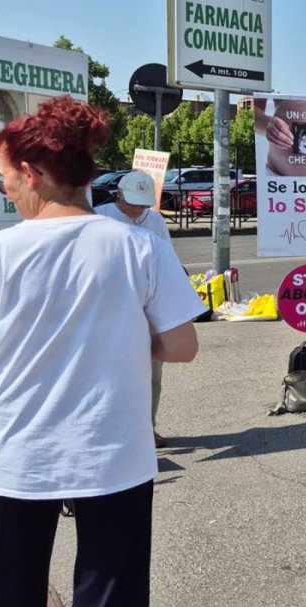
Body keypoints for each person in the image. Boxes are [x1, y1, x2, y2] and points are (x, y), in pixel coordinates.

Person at [0, 96, 204, 607]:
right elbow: (183, 347)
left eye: (6, 175)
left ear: (33, 173)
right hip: (113, 453)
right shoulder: (139, 246)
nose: (5, 187)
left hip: (19, 455)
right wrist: (116, 341)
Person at [96, 170, 177, 448]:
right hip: (109, 309)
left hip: (149, 306)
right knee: (111, 372)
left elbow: (168, 261)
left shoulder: (154, 220)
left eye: (143, 203)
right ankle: (109, 430)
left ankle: (147, 428)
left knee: (152, 373)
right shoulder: (99, 217)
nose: (139, 210)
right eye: (133, 203)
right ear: (118, 195)